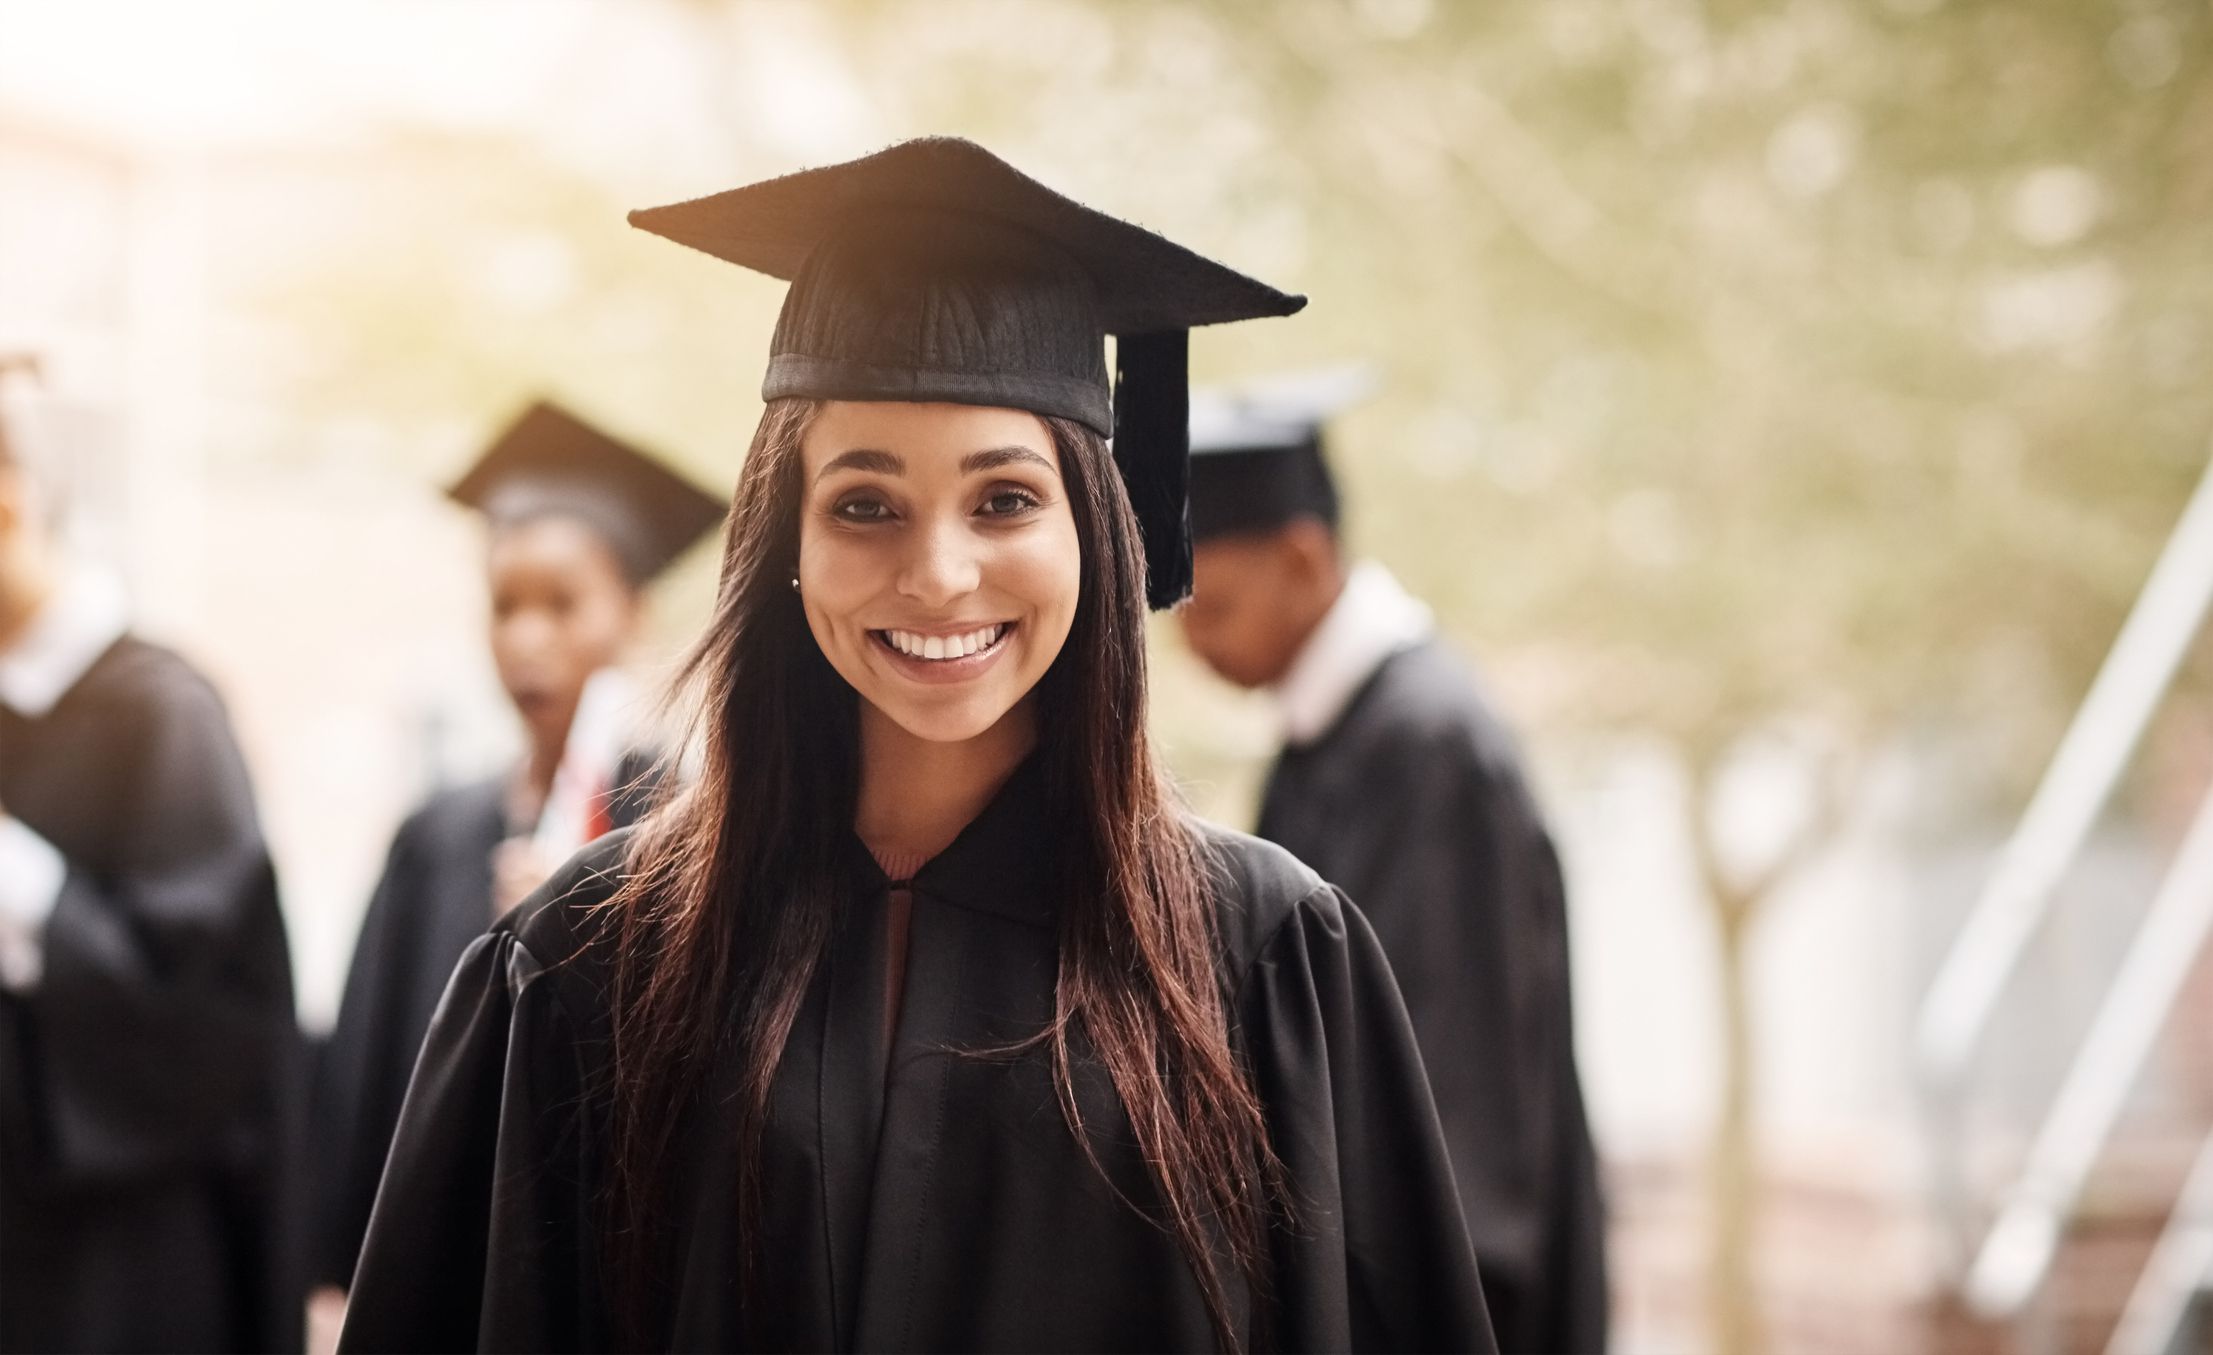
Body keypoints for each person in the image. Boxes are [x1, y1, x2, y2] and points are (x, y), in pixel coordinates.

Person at [339, 137, 1493, 1353]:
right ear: (786, 538)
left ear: (1095, 532)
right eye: (864, 504)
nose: (938, 574)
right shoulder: (587, 960)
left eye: (1004, 498)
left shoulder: (1259, 957)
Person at [1178, 373, 1609, 1355]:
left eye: (1213, 604)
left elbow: (1457, 1095)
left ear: (1300, 555)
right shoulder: (1338, 731)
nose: (1189, 640)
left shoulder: (1425, 749)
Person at [308, 400, 723, 1302]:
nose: (527, 638)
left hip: (596, 1266)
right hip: (440, 1257)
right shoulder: (438, 833)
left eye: (563, 604)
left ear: (632, 614)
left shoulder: (684, 829)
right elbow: (371, 1067)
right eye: (505, 606)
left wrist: (583, 924)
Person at [0, 366, 302, 1351]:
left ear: (12, 500)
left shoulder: (162, 712)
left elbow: (205, 1013)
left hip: (119, 1253)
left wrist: (23, 891)